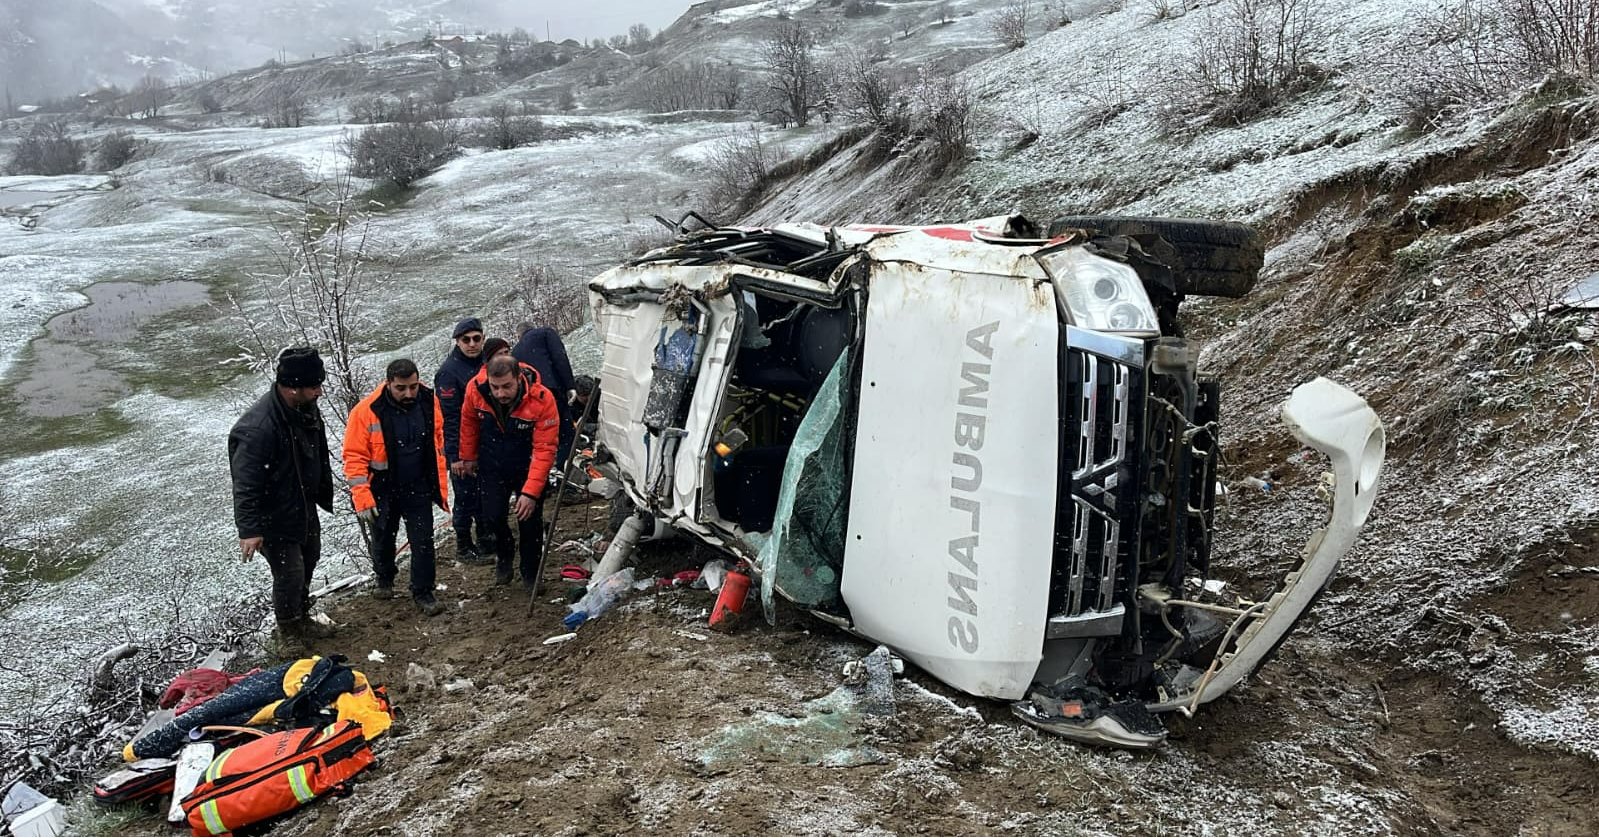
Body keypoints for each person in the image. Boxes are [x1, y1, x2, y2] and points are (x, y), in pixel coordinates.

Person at [228, 347, 335, 643]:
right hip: (273, 515)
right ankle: (289, 634)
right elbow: (245, 482)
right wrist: (249, 529)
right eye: (314, 386)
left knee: (310, 558)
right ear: (291, 388)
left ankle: (302, 617)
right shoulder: (258, 428)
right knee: (289, 573)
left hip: (302, 503)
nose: (320, 392)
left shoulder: (303, 407)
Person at [343, 358, 450, 616]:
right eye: (401, 388)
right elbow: (354, 456)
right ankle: (385, 578)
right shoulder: (366, 411)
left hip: (418, 484)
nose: (408, 393)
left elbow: (438, 434)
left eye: (412, 387)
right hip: (383, 488)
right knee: (383, 538)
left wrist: (440, 465)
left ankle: (423, 591)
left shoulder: (427, 399)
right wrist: (362, 497)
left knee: (423, 540)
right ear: (389, 383)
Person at [458, 354, 561, 590]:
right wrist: (468, 456)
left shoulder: (542, 398)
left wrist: (531, 493)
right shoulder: (475, 389)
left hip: (528, 464)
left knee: (529, 520)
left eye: (507, 387)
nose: (501, 393)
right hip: (492, 463)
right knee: (492, 517)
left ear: (519, 378)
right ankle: (504, 553)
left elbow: (545, 449)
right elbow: (468, 422)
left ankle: (530, 573)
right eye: (495, 387)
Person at [434, 318, 487, 561]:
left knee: (486, 495)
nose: (472, 344)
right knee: (465, 498)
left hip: (487, 441)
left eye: (477, 338)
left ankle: (487, 541)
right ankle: (464, 546)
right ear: (458, 341)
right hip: (461, 446)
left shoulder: (487, 362)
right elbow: (449, 418)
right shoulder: (448, 372)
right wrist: (455, 456)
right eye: (466, 340)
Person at [511, 322, 577, 468]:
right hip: (551, 390)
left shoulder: (514, 352)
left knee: (543, 438)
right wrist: (569, 385)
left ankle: (543, 474)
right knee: (566, 433)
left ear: (519, 336)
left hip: (530, 400)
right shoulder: (545, 333)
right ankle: (563, 469)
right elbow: (560, 357)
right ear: (532, 328)